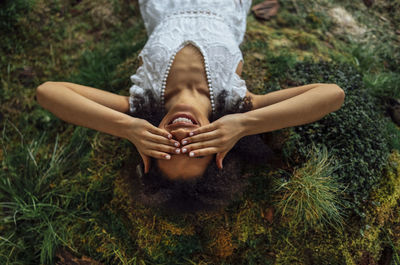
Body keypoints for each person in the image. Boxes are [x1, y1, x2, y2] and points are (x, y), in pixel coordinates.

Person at [36, 0, 345, 214]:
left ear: (147, 153)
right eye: (195, 148)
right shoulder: (240, 103)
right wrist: (245, 125)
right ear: (220, 150)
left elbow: (48, 92)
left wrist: (126, 127)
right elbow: (331, 94)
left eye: (168, 148)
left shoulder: (141, 102)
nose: (181, 133)